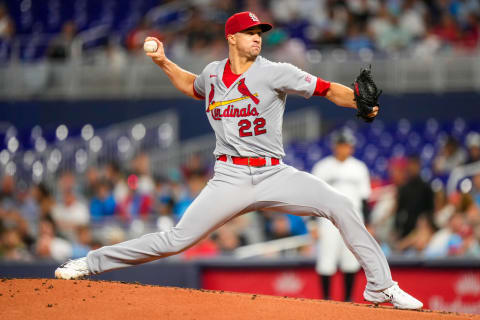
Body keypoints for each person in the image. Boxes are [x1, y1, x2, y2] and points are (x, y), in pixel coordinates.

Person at [55, 11, 422, 310]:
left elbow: (327, 89)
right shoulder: (214, 73)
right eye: (249, 32)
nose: (257, 37)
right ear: (232, 38)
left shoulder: (276, 71)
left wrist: (358, 100)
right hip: (229, 176)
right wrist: (164, 61)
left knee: (340, 205)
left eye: (259, 32)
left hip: (274, 173)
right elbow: (190, 85)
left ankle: (382, 287)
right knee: (175, 239)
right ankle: (91, 262)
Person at [311, 129, 370, 302]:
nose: (344, 148)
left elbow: (365, 199)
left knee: (350, 259)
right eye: (341, 145)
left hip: (353, 218)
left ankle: (348, 300)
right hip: (327, 219)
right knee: (326, 259)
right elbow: (314, 197)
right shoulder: (322, 167)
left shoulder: (359, 167)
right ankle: (326, 299)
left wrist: (368, 224)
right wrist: (312, 224)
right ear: (335, 146)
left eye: (347, 145)